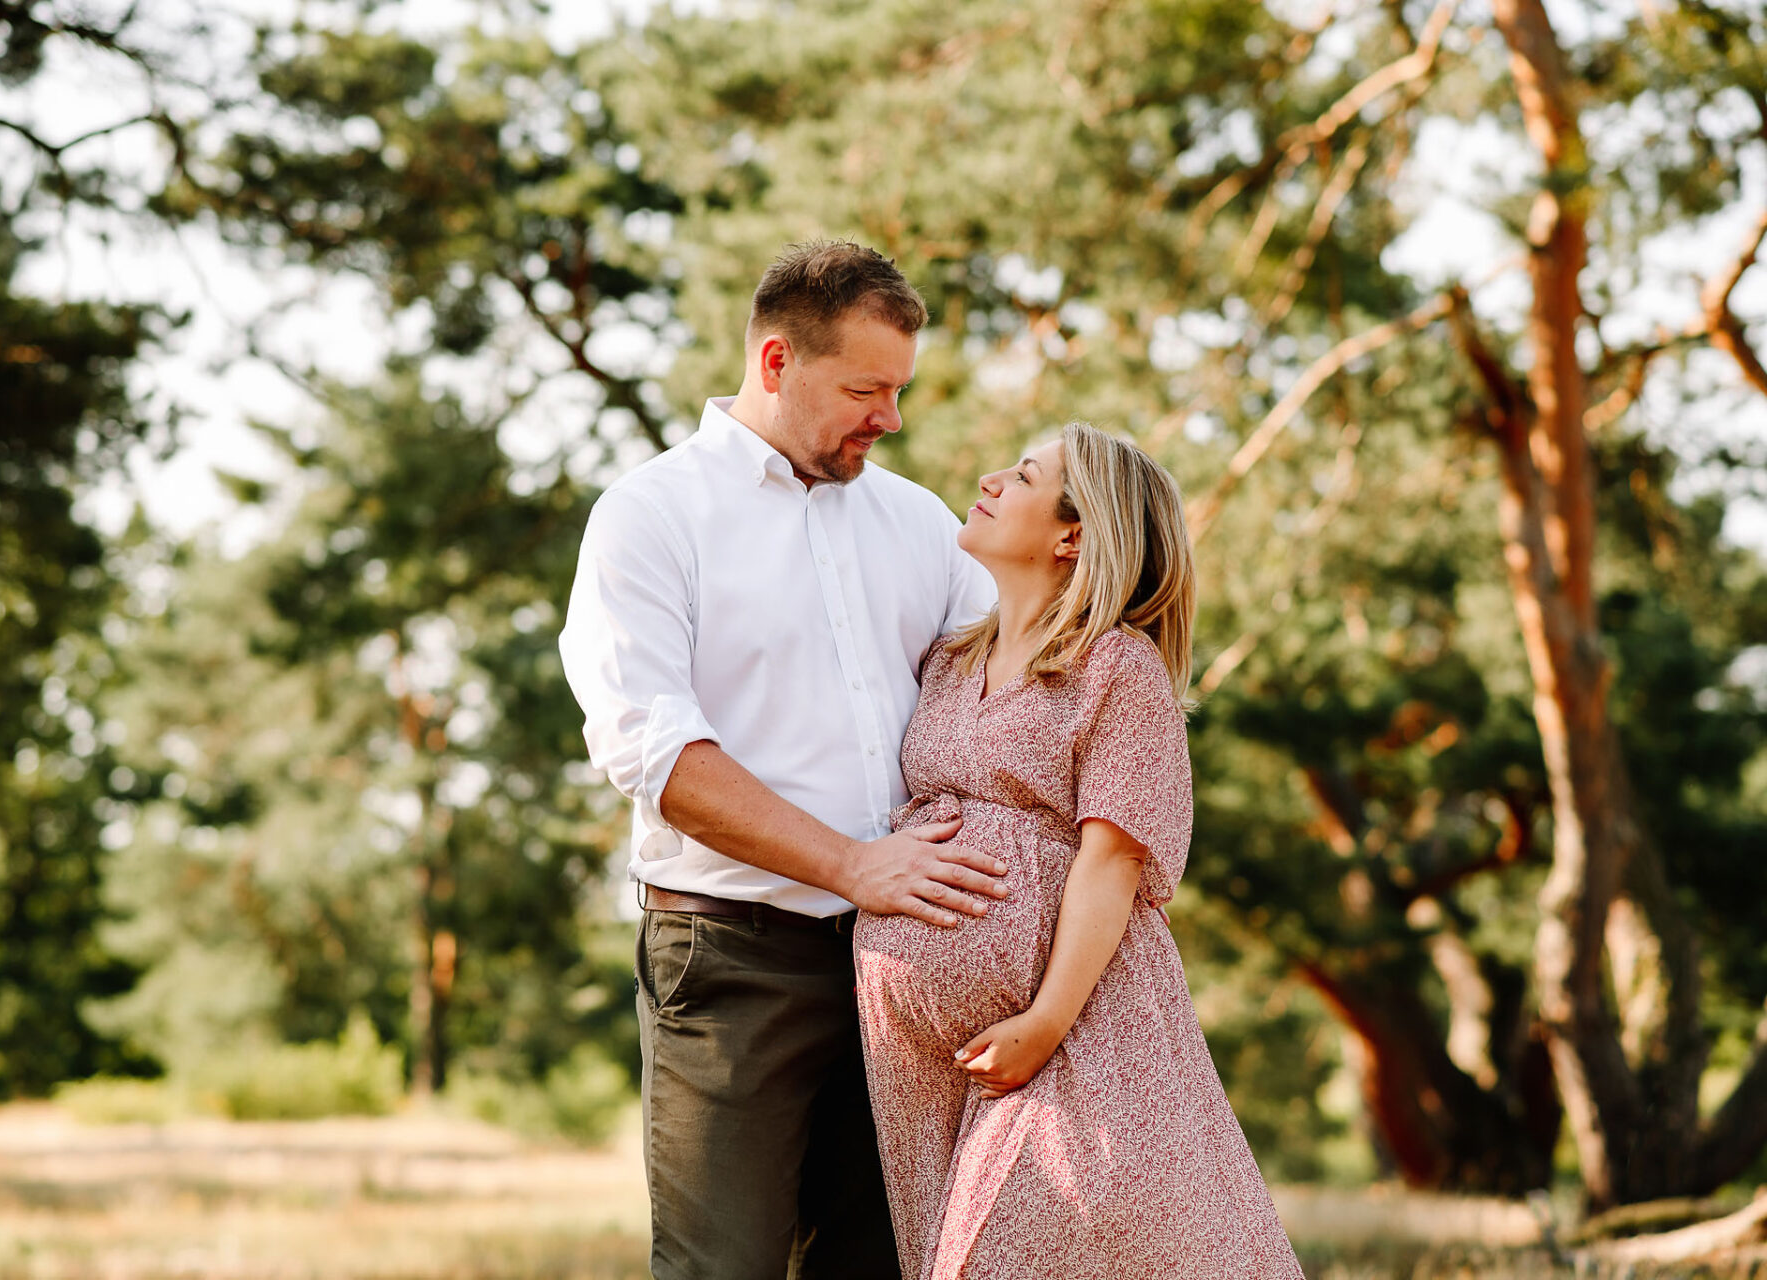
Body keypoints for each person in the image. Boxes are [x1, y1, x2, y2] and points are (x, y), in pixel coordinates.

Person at [558, 240, 1006, 1280]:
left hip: (902, 964)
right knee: (724, 1267)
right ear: (774, 361)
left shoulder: (920, 523)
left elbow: (1007, 697)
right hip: (730, 963)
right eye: (864, 388)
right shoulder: (649, 516)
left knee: (880, 1264)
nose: (889, 417)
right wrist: (851, 863)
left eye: (897, 389)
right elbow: (654, 748)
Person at [853, 423, 1304, 1279]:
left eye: (1021, 474)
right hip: (915, 1056)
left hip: (1073, 1033)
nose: (988, 477)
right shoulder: (948, 662)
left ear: (1072, 534)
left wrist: (1044, 1022)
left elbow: (1113, 861)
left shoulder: (1116, 670)